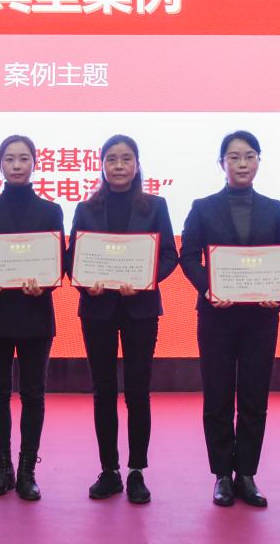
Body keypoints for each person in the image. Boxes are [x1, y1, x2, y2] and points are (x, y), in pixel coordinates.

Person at [179, 130, 280, 508]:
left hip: (261, 317)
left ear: (259, 160)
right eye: (234, 157)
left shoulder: (276, 209)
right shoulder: (202, 207)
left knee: (254, 396)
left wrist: (277, 287)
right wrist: (210, 289)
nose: (242, 164)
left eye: (249, 156)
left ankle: (246, 474)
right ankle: (221, 476)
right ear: (222, 163)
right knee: (217, 396)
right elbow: (188, 256)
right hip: (217, 316)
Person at [65, 134, 178, 504]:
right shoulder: (86, 208)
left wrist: (144, 281)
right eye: (111, 159)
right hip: (97, 309)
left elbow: (169, 256)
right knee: (103, 392)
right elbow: (71, 259)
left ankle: (136, 471)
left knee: (138, 392)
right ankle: (109, 470)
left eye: (126, 158)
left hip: (140, 310)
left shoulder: (155, 206)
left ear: (137, 164)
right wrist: (86, 283)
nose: (118, 165)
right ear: (101, 165)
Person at [0, 135, 64, 501]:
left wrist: (46, 283)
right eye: (10, 159)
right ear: (0, 164)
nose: (17, 165)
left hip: (35, 313)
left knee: (34, 394)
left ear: (35, 162)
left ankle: (27, 471)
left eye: (23, 158)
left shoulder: (51, 210)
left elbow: (59, 260)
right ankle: (3, 468)